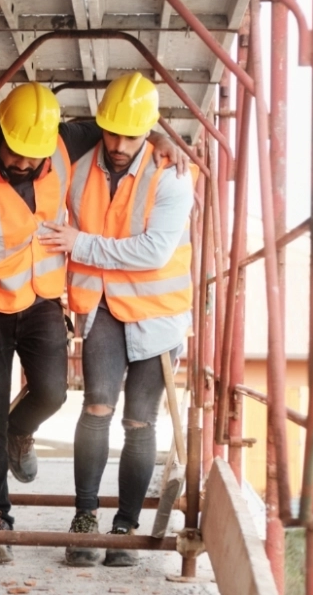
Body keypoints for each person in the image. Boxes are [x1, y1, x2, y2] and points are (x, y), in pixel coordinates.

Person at [0, 81, 186, 565]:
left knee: (53, 393)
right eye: (18, 154)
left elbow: (129, 128)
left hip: (43, 298)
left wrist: (165, 137)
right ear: (0, 132)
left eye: (35, 156)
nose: (26, 164)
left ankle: (20, 434)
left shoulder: (65, 141)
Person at [39, 72, 196, 568]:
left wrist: (79, 244)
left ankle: (124, 526)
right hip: (103, 303)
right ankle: (85, 519)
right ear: (100, 125)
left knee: (139, 420)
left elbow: (154, 250)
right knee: (98, 408)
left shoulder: (170, 175)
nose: (120, 144)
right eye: (113, 133)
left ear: (150, 129)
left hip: (158, 314)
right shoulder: (80, 161)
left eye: (132, 135)